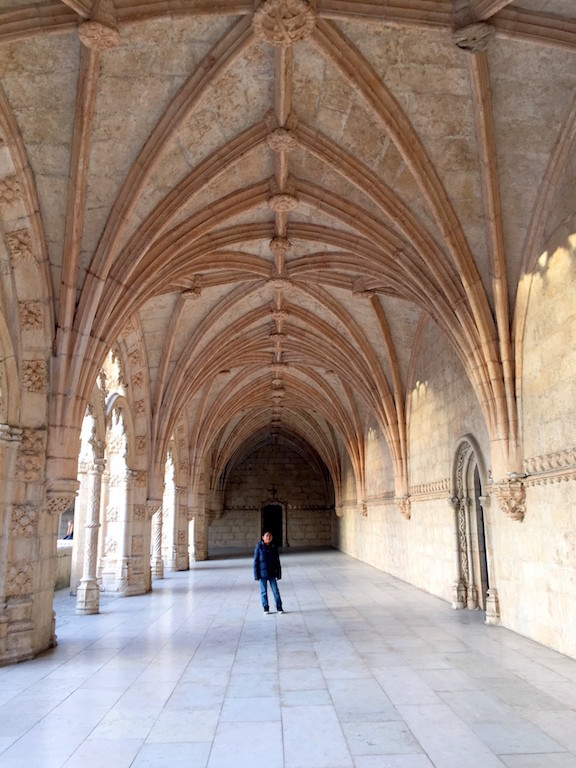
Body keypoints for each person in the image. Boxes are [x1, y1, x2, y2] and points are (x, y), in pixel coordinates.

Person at [254, 531, 284, 614]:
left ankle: (279, 607)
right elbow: (256, 562)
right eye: (267, 536)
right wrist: (256, 575)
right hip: (262, 574)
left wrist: (278, 574)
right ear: (263, 537)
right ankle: (266, 608)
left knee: (275, 591)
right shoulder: (259, 547)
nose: (268, 537)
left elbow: (277, 561)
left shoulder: (274, 547)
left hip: (272, 573)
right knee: (264, 592)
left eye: (270, 536)